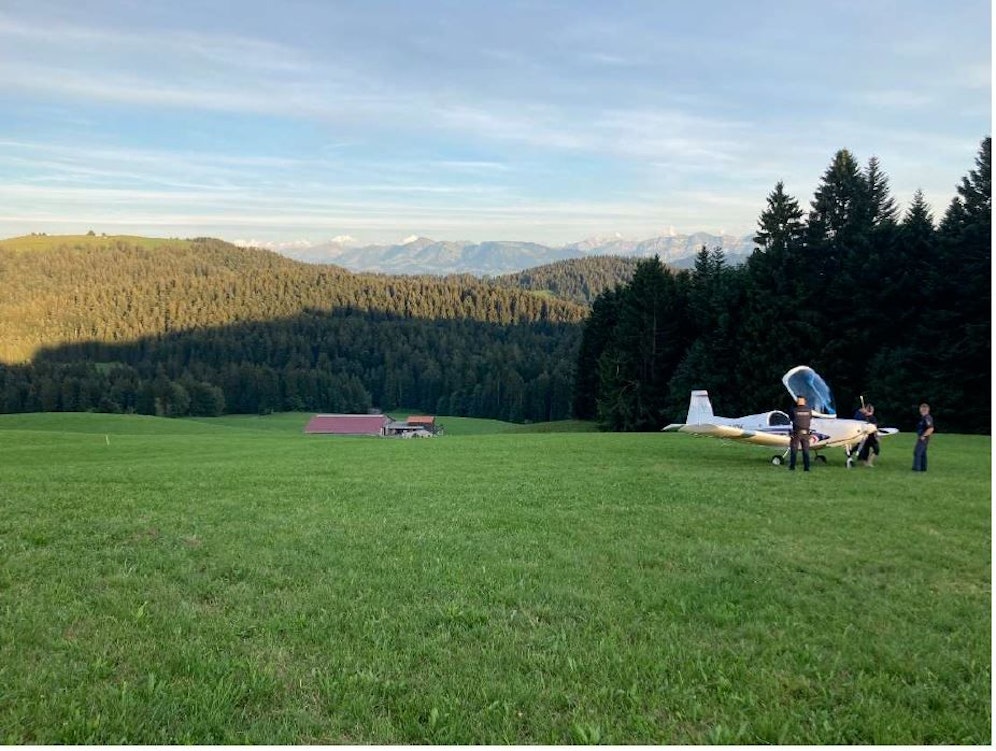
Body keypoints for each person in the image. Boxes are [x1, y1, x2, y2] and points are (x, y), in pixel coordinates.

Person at [789, 395, 812, 471]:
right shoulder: (809, 410)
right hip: (806, 433)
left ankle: (792, 467)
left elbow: (791, 418)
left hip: (797, 433)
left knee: (794, 450)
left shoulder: (794, 410)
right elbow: (810, 418)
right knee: (806, 451)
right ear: (805, 402)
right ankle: (807, 467)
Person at [912, 403, 934, 471]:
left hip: (923, 438)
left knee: (917, 452)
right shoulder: (923, 418)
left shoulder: (927, 418)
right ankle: (923, 468)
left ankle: (917, 468)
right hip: (922, 437)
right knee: (923, 453)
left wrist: (923, 436)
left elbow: (931, 428)